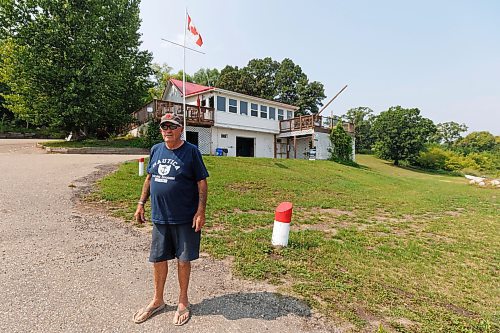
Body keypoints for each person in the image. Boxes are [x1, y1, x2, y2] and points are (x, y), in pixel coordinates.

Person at [132, 113, 209, 326]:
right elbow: (149, 178)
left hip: (185, 217)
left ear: (180, 129)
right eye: (164, 126)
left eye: (172, 126)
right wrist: (140, 203)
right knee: (158, 258)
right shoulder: (156, 149)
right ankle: (157, 300)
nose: (167, 129)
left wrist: (200, 211)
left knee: (183, 260)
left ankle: (183, 301)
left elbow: (202, 183)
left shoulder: (191, 152)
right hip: (160, 216)